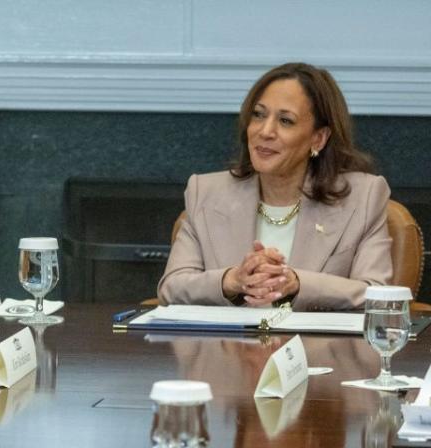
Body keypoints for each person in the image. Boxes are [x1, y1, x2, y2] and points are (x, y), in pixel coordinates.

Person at [158, 62, 392, 311]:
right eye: (258, 115)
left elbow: (378, 295)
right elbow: (171, 288)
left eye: (285, 121)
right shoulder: (205, 192)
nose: (265, 131)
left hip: (317, 350)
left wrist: (298, 284)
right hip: (228, 349)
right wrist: (231, 280)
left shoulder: (363, 197)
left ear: (318, 138)